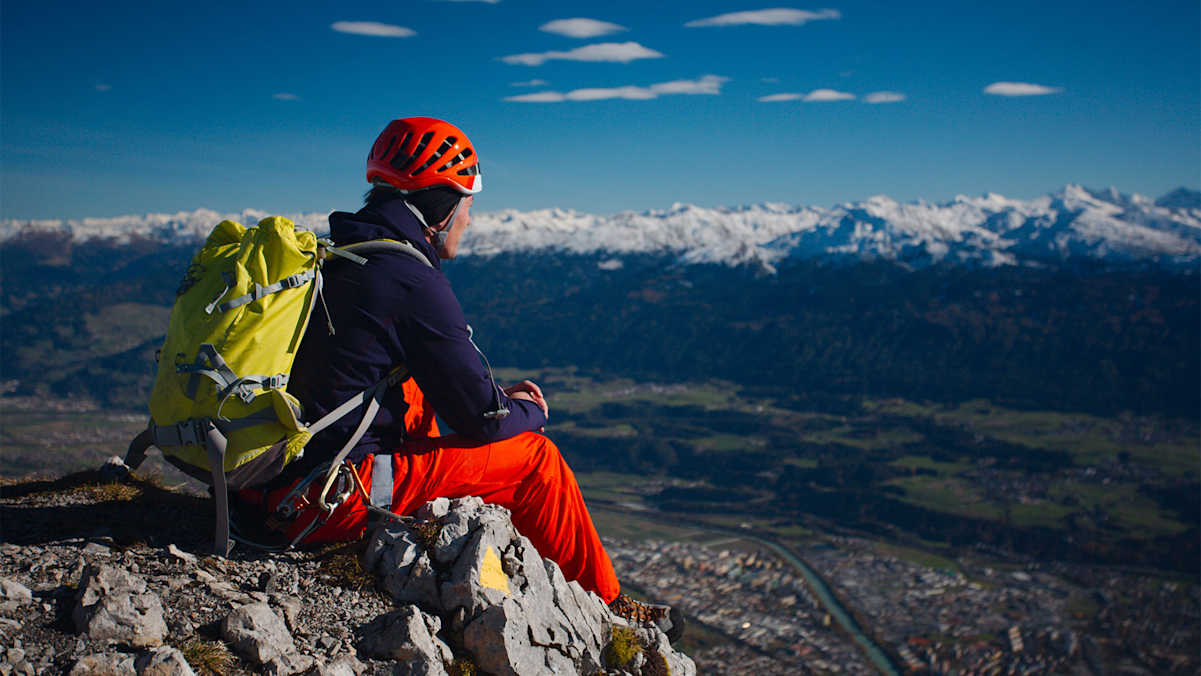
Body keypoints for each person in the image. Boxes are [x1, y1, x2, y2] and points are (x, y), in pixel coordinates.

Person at [239, 116, 681, 640]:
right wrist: (529, 411)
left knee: (412, 391)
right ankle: (610, 607)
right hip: (330, 503)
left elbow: (440, 386)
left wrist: (491, 399)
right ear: (442, 204)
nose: (470, 220)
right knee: (537, 462)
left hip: (261, 487)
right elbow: (483, 419)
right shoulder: (409, 278)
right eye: (468, 204)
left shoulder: (337, 254)